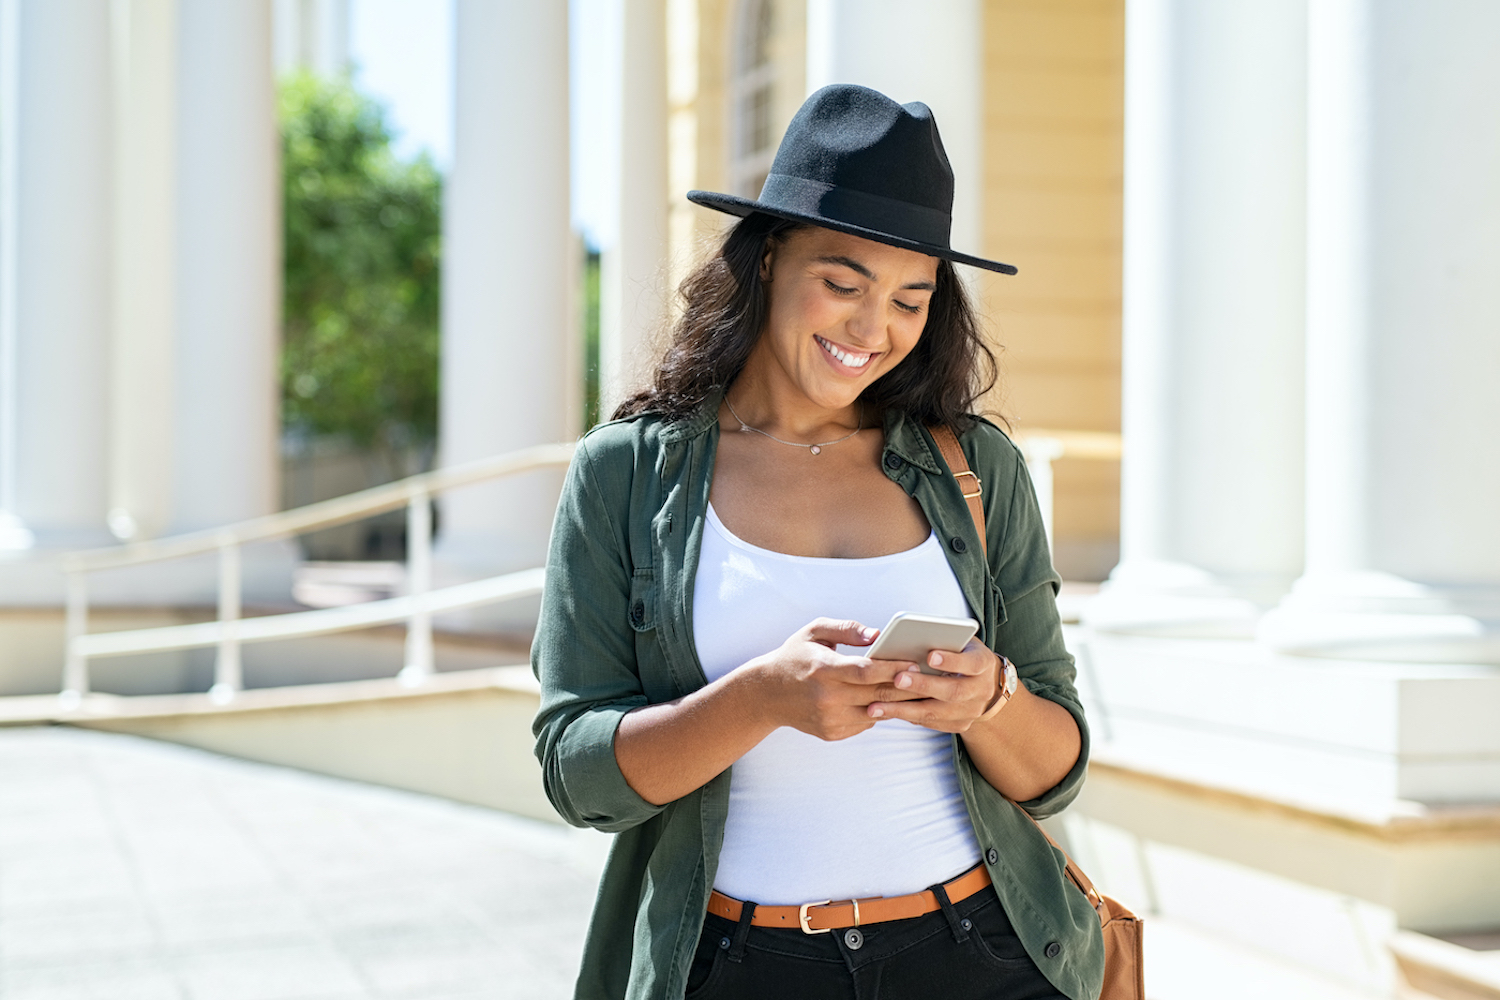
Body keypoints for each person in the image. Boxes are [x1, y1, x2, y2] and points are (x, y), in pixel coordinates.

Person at [532, 85, 1105, 1000]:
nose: (872, 331)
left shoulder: (977, 468)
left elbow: (1057, 771)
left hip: (985, 953)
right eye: (842, 284)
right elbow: (578, 774)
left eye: (911, 300)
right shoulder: (627, 475)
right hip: (737, 966)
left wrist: (989, 699)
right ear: (765, 263)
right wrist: (760, 698)